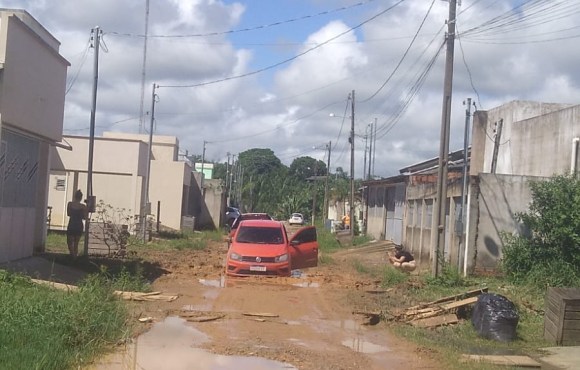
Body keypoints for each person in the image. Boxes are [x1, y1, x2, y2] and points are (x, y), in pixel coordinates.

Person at [66, 189, 88, 259]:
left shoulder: (70, 204)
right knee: (76, 243)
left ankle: (72, 256)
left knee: (70, 242)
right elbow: (85, 217)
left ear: (74, 196)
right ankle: (75, 257)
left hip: (72, 224)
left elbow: (68, 214)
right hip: (79, 225)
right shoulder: (83, 207)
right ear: (81, 198)